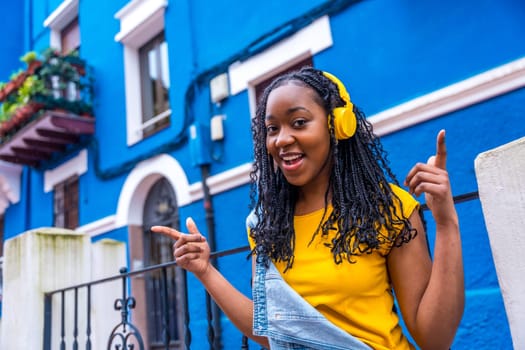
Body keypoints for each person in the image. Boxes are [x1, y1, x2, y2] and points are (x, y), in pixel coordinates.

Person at [152, 67, 464, 349]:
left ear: (338, 126)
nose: (281, 139)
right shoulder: (266, 224)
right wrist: (205, 271)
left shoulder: (388, 208)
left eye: (299, 122)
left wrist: (446, 223)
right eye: (272, 128)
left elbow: (434, 339)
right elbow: (272, 331)